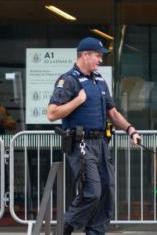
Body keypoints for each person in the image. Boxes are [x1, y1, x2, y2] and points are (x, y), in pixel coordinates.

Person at [47, 37, 141, 235]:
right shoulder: (69, 80)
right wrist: (77, 101)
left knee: (107, 191)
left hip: (101, 143)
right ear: (85, 55)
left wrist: (131, 130)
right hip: (81, 144)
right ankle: (67, 226)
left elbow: (113, 113)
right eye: (98, 56)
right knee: (92, 191)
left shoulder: (99, 80)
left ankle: (95, 232)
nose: (100, 60)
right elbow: (52, 114)